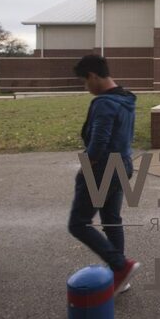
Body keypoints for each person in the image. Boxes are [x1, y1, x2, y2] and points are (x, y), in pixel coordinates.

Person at [68, 55, 139, 295]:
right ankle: (121, 277)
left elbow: (98, 143)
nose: (85, 87)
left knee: (78, 224)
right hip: (123, 164)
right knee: (111, 220)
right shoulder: (125, 99)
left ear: (93, 76)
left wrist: (85, 168)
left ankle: (120, 266)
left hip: (102, 168)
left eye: (84, 82)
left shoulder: (104, 103)